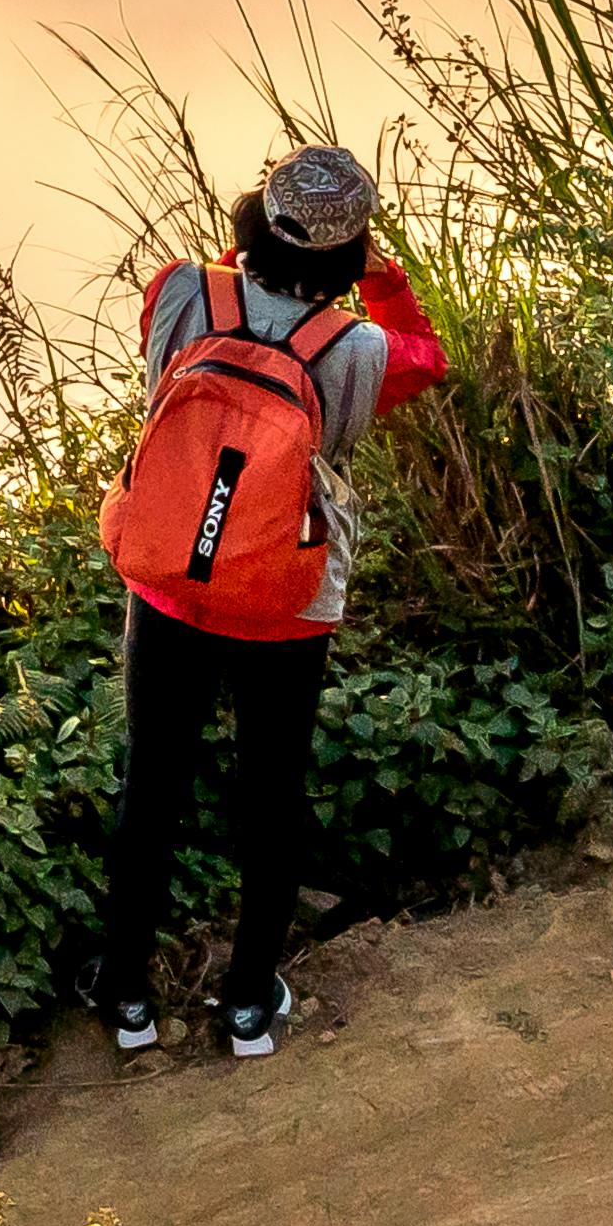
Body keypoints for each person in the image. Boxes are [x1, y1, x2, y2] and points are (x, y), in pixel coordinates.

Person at [83, 141, 447, 1060]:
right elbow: (428, 359)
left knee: (152, 780)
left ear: (253, 216)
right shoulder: (357, 349)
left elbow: (200, 327)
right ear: (349, 253)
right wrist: (382, 277)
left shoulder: (179, 290)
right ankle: (248, 1003)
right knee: (271, 791)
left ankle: (125, 996)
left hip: (168, 578)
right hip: (284, 595)